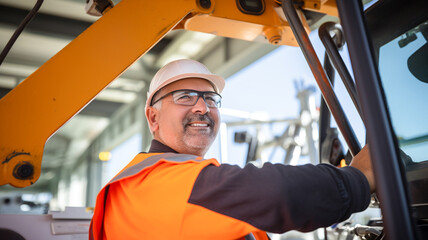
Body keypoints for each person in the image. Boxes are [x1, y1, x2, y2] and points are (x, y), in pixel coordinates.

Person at [89, 59, 375, 240]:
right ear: (153, 118)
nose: (202, 107)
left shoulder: (130, 186)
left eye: (211, 99)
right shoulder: (166, 181)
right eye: (185, 97)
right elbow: (280, 194)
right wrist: (359, 178)